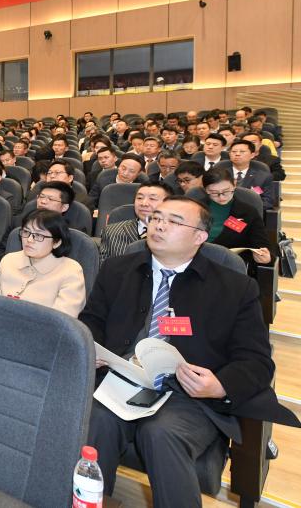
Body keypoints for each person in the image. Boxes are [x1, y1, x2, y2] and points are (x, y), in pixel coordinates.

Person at [81, 196, 298, 507]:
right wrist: (92, 349)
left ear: (200, 237)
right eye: (156, 218)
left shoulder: (236, 288)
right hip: (122, 383)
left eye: (173, 221)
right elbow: (91, 323)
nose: (159, 225)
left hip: (190, 397)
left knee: (160, 433)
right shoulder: (117, 270)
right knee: (95, 421)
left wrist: (220, 385)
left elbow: (256, 360)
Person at [0, 209, 85, 318]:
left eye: (39, 235)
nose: (29, 240)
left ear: (56, 242)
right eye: (26, 232)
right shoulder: (8, 260)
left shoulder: (71, 271)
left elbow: (61, 321)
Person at [201, 168, 274, 269]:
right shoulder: (195, 208)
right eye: (214, 193)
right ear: (205, 190)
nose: (221, 197)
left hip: (228, 265)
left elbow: (262, 244)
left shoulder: (248, 212)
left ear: (234, 184)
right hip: (195, 260)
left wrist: (266, 257)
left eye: (226, 191)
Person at [100, 183, 171, 261]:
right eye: (139, 198)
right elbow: (104, 267)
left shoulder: (176, 234)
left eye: (152, 199)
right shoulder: (112, 232)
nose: (144, 204)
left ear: (168, 204)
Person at [227, 139, 275, 210]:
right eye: (234, 151)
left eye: (242, 151)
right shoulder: (219, 174)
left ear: (252, 155)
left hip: (250, 213)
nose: (237, 154)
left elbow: (268, 202)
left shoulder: (263, 177)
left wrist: (244, 209)